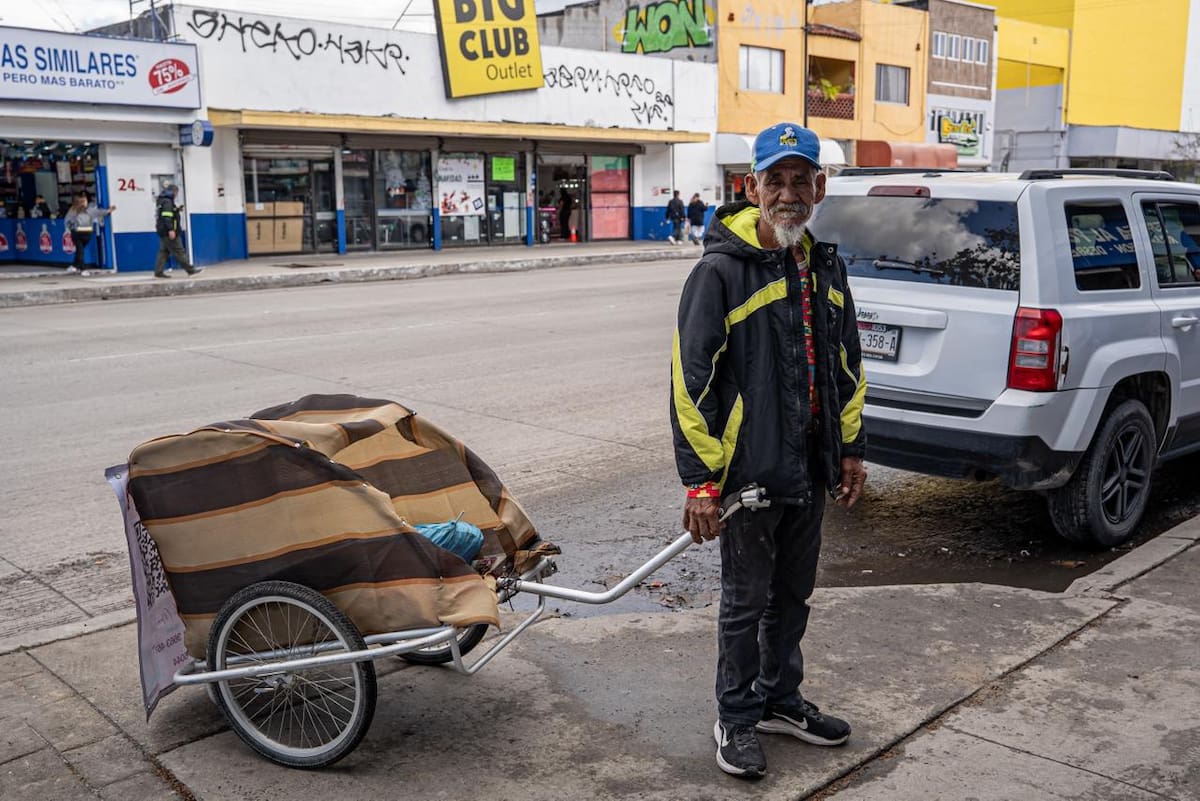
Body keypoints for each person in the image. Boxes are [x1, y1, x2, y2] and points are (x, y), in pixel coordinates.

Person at [669, 122, 868, 780]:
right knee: (744, 601)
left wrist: (849, 448)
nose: (788, 192)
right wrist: (701, 483)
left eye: (800, 179)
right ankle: (734, 713)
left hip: (809, 466)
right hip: (749, 472)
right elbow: (690, 381)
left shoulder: (822, 263)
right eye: (773, 180)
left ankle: (780, 700)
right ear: (751, 187)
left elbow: (845, 363)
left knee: (793, 595)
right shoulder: (720, 272)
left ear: (820, 186)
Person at [154, 184, 201, 278]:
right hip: (169, 231)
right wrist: (171, 229)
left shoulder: (163, 200)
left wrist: (176, 210)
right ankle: (190, 270)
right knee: (179, 251)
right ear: (173, 191)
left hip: (162, 231)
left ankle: (158, 272)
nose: (176, 195)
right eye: (176, 192)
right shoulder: (168, 202)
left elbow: (167, 214)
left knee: (164, 251)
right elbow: (167, 217)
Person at [64, 193, 115, 275]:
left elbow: (67, 221)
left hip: (77, 233)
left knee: (80, 251)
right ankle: (79, 268)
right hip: (86, 234)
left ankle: (78, 268)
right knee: (80, 251)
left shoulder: (73, 210)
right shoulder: (90, 210)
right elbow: (100, 212)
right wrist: (109, 210)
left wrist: (71, 228)